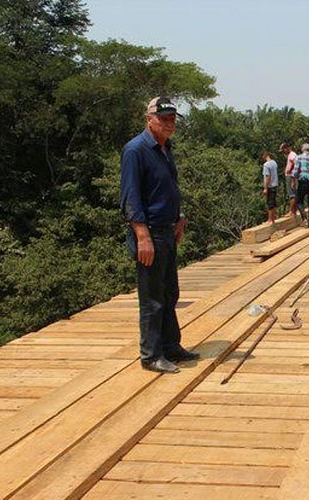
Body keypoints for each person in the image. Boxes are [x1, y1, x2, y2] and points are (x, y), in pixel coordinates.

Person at [120, 96, 200, 374]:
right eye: (163, 119)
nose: (169, 124)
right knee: (152, 297)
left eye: (173, 119)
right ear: (149, 119)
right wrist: (142, 236)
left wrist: (179, 218)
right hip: (150, 233)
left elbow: (167, 188)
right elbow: (130, 197)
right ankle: (151, 355)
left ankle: (170, 346)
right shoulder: (136, 150)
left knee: (169, 292)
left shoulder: (165, 149)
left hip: (167, 230)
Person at [278, 142, 299, 218]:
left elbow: (296, 165)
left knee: (292, 194)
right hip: (290, 176)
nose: (283, 152)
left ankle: (291, 211)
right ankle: (294, 211)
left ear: (287, 148)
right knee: (293, 194)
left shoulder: (292, 155)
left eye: (283, 150)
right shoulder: (291, 155)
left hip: (291, 177)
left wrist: (291, 173)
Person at [261, 152, 279, 224]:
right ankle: (273, 219)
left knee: (270, 203)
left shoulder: (266, 165)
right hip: (275, 184)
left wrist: (265, 188)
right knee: (273, 202)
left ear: (264, 156)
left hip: (270, 186)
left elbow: (268, 176)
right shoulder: (274, 163)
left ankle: (270, 220)